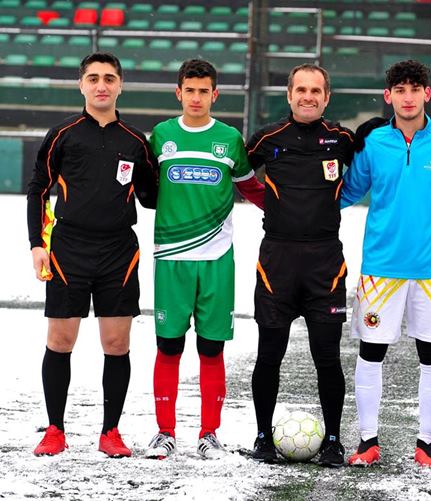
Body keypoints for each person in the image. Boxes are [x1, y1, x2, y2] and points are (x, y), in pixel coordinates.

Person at [341, 60, 431, 468]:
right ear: (388, 96)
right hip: (381, 267)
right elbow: (345, 192)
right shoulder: (374, 142)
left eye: (415, 88)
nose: (407, 96)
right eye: (399, 89)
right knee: (371, 353)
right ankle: (368, 441)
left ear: (427, 94)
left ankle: (427, 445)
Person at [27, 52, 159, 458]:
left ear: (120, 86)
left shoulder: (135, 141)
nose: (102, 85)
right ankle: (55, 430)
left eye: (109, 78)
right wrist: (36, 244)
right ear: (81, 85)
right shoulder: (63, 134)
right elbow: (38, 189)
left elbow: (152, 197)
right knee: (60, 340)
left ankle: (111, 432)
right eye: (94, 78)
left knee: (116, 343)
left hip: (119, 252)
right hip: (68, 248)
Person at [144, 59, 264, 460]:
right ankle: (165, 432)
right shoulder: (161, 136)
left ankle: (209, 434)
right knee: (169, 346)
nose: (196, 98)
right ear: (178, 93)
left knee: (211, 349)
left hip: (217, 260)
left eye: (204, 91)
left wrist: (293, 214)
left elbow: (252, 188)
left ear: (215, 94)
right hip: (171, 259)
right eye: (190, 90)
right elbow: (142, 187)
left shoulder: (229, 139)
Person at [245, 63, 354, 466]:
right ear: (289, 95)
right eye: (301, 90)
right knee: (269, 354)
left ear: (327, 97)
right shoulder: (267, 138)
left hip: (326, 262)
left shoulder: (343, 139)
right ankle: (262, 437)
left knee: (327, 357)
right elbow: (240, 175)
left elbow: (362, 176)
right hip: (278, 260)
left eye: (316, 91)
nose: (308, 96)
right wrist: (271, 203)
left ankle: (333, 441)